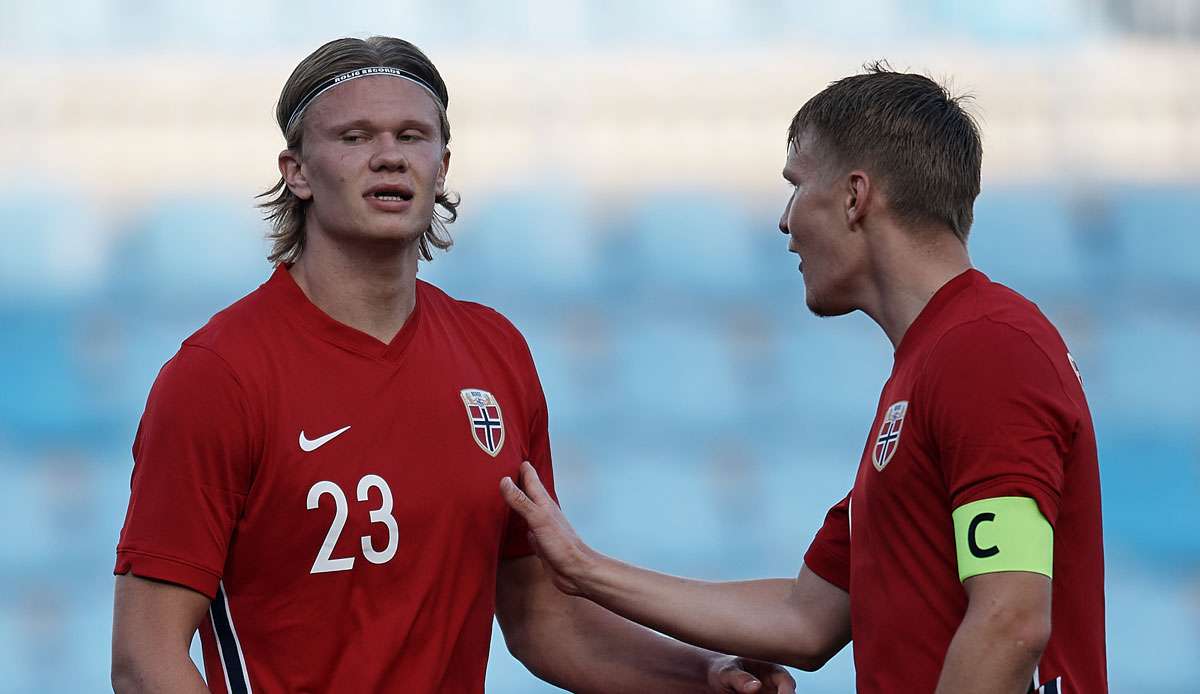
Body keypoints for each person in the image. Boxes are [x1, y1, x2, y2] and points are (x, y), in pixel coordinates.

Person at [109, 36, 795, 694]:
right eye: (354, 138)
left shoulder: (494, 351)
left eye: (412, 136)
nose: (388, 157)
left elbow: (542, 620)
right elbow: (145, 660)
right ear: (297, 172)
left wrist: (698, 676)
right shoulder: (219, 374)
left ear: (441, 163)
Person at [502, 63, 1107, 694]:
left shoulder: (986, 349)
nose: (785, 222)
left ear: (854, 196)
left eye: (796, 187)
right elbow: (807, 617)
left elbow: (1010, 617)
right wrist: (582, 568)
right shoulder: (932, 365)